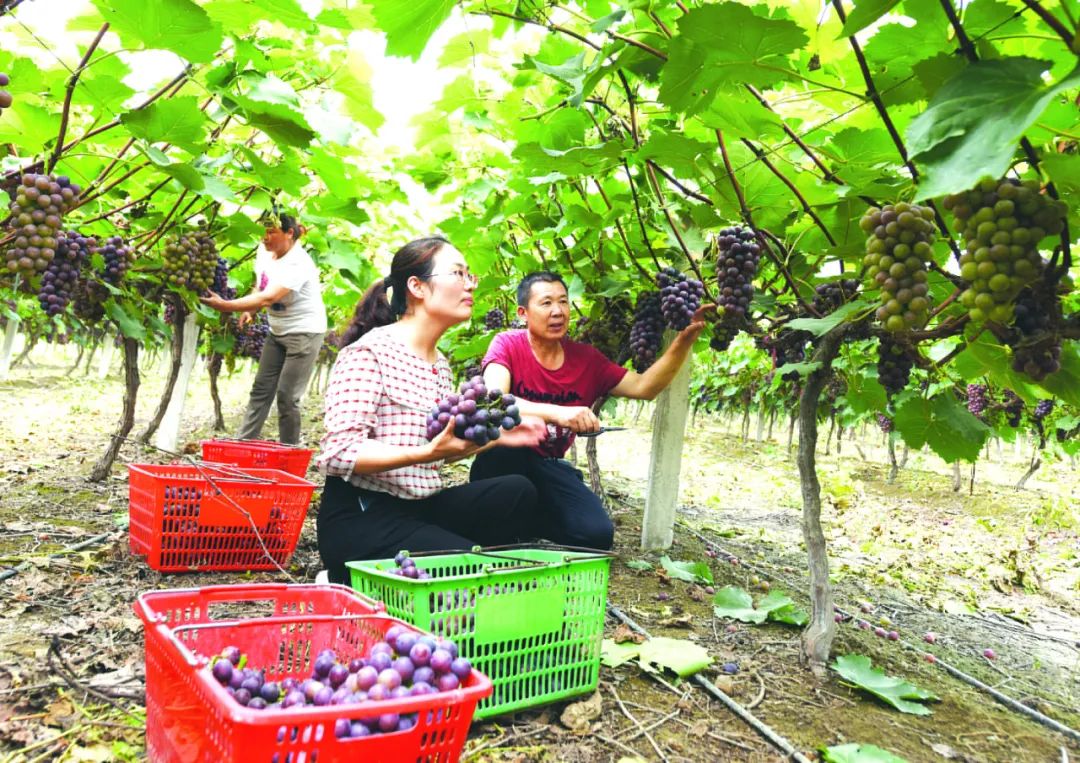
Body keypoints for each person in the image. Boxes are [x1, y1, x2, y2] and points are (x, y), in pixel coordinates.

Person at [315, 237, 548, 584]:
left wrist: (497, 439)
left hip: (418, 508)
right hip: (363, 517)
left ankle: (439, 555)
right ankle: (345, 575)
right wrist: (425, 452)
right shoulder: (369, 354)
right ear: (417, 287)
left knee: (517, 491)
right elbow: (339, 453)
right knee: (475, 573)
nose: (470, 284)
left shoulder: (440, 365)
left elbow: (436, 454)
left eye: (470, 275)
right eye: (458, 273)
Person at [470, 271, 711, 550]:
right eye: (546, 303)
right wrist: (558, 413)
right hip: (502, 459)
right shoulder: (508, 344)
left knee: (595, 535)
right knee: (502, 470)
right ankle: (502, 524)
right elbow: (495, 400)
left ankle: (524, 524)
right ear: (523, 313)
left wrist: (683, 341)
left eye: (563, 302)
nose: (558, 311)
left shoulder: (587, 360)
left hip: (546, 463)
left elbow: (645, 387)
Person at [201, 214, 327, 445]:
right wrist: (250, 309)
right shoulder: (264, 252)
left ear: (289, 233)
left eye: (271, 232)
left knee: (287, 397)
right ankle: (243, 443)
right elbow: (262, 285)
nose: (265, 238)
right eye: (263, 232)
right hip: (277, 330)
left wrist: (226, 305)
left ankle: (289, 451)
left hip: (304, 333)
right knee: (261, 389)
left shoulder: (298, 262)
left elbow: (269, 297)